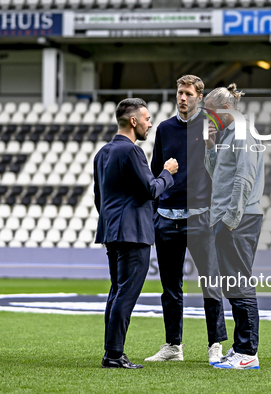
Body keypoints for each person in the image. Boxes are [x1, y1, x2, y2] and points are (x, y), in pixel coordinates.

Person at [146, 75, 228, 365]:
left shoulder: (211, 127)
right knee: (170, 287)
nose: (182, 98)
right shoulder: (165, 129)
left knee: (210, 282)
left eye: (188, 94)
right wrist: (156, 210)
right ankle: (173, 346)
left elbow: (221, 170)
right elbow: (156, 171)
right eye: (179, 92)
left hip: (200, 219)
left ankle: (215, 344)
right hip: (167, 219)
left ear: (199, 98)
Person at [94, 98, 179, 369]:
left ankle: (112, 351)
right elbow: (151, 189)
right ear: (134, 121)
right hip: (134, 233)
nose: (150, 123)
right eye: (147, 118)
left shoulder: (102, 153)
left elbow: (99, 198)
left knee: (117, 291)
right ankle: (114, 354)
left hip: (111, 231)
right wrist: (167, 173)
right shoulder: (133, 152)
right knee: (127, 293)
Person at [204, 84, 264, 370]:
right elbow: (219, 175)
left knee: (239, 283)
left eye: (209, 112)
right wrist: (210, 148)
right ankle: (241, 347)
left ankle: (248, 352)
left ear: (225, 110)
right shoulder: (228, 134)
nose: (207, 118)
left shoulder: (242, 132)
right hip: (228, 217)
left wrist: (230, 218)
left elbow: (244, 177)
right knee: (233, 284)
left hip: (238, 218)